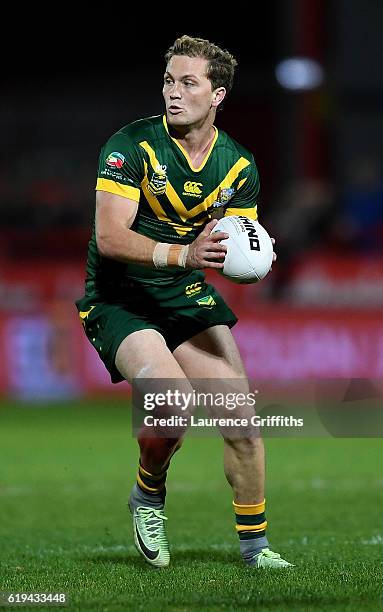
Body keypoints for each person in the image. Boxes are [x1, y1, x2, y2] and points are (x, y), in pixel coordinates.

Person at [75, 35, 293, 569]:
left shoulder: (238, 166)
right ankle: (148, 495)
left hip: (182, 294)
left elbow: (233, 247)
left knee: (241, 420)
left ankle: (255, 548)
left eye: (188, 83)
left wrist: (254, 254)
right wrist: (186, 255)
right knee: (172, 403)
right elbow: (110, 237)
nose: (174, 92)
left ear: (217, 94)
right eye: (169, 80)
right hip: (119, 295)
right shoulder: (132, 146)